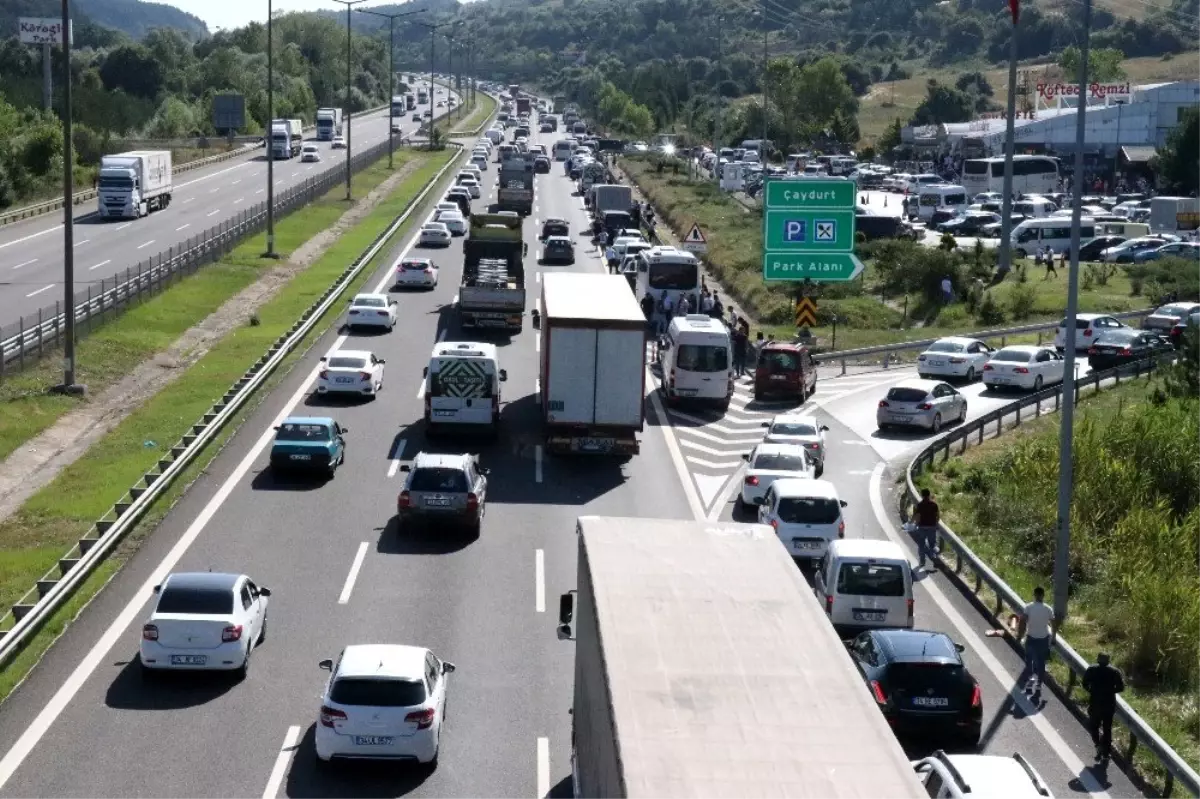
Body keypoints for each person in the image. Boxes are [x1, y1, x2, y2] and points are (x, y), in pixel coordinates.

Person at [1082, 653, 1125, 763]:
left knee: (1094, 726)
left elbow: (1084, 683)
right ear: (1108, 660)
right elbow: (1121, 687)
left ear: (1098, 659)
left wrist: (1092, 691)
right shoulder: (1115, 671)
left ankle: (1097, 745)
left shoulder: (1092, 669)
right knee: (1107, 729)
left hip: (1095, 703)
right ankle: (1106, 753)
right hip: (1109, 704)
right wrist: (1110, 691)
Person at [1017, 586, 1057, 696]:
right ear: (1043, 595)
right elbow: (1054, 624)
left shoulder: (1029, 607)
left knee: (1029, 661)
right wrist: (1053, 637)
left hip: (1031, 638)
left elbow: (1022, 622)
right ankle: (1039, 684)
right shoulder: (1048, 609)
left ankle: (1030, 682)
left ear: (1034, 595)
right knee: (1041, 663)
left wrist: (1020, 636)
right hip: (1043, 639)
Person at [912, 488, 940, 571]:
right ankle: (934, 557)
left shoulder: (920, 505)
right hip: (932, 527)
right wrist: (935, 524)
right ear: (929, 494)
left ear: (922, 495)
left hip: (922, 527)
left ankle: (922, 561)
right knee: (932, 544)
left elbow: (917, 516)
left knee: (921, 544)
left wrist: (914, 524)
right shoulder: (934, 505)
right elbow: (938, 516)